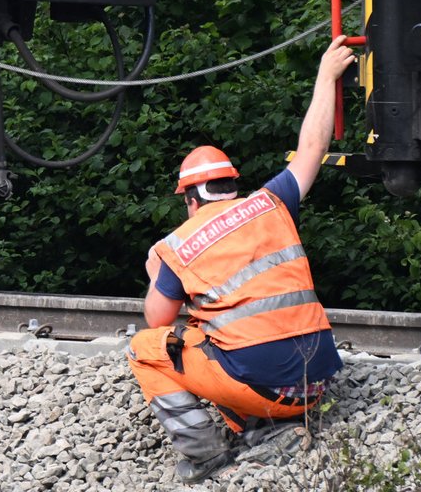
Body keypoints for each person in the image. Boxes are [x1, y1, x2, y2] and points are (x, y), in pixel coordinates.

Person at [128, 36, 358, 484]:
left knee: (147, 350)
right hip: (315, 384)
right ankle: (267, 428)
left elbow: (156, 320)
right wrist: (326, 76)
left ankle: (206, 455)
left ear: (190, 198)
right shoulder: (270, 202)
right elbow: (312, 146)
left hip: (265, 388)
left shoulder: (180, 242)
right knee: (212, 331)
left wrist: (158, 269)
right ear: (232, 185)